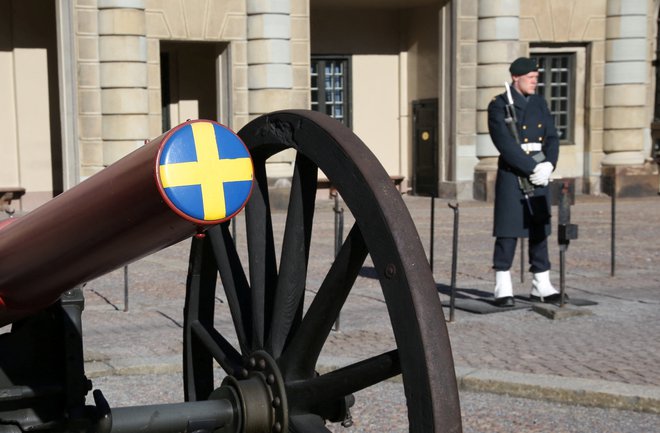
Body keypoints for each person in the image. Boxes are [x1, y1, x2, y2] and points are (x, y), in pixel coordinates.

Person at [487, 57, 561, 307]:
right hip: (513, 174)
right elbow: (505, 144)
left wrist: (549, 164)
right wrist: (531, 168)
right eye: (531, 78)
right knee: (508, 232)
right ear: (516, 78)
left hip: (540, 170)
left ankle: (541, 285)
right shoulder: (499, 105)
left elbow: (552, 136)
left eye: (536, 78)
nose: (535, 82)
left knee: (539, 230)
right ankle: (503, 287)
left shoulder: (539, 103)